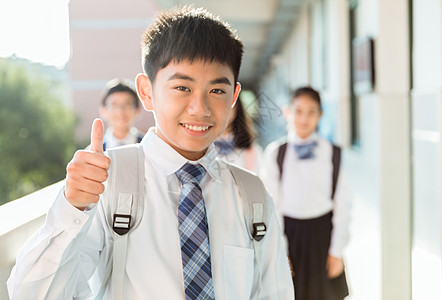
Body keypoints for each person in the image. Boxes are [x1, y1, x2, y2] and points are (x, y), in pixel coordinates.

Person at [7, 7, 294, 300]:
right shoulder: (108, 182)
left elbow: (276, 293)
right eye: (182, 87)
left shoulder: (252, 194)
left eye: (217, 91)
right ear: (146, 92)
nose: (200, 108)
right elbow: (31, 294)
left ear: (234, 96)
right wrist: (72, 208)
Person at [261, 87, 351, 300]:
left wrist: (337, 251)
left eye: (311, 112)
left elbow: (344, 204)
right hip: (290, 238)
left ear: (320, 114)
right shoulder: (276, 154)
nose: (304, 118)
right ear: (287, 112)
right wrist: (281, 251)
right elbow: (272, 206)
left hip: (323, 237)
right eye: (298, 111)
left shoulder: (332, 152)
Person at [214, 97, 263, 173]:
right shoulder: (198, 147)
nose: (223, 111)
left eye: (228, 105)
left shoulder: (251, 151)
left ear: (237, 108)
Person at [99, 79, 144, 150]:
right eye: (114, 105)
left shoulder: (148, 146)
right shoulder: (93, 152)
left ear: (138, 110)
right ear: (103, 110)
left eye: (127, 104)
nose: (120, 111)